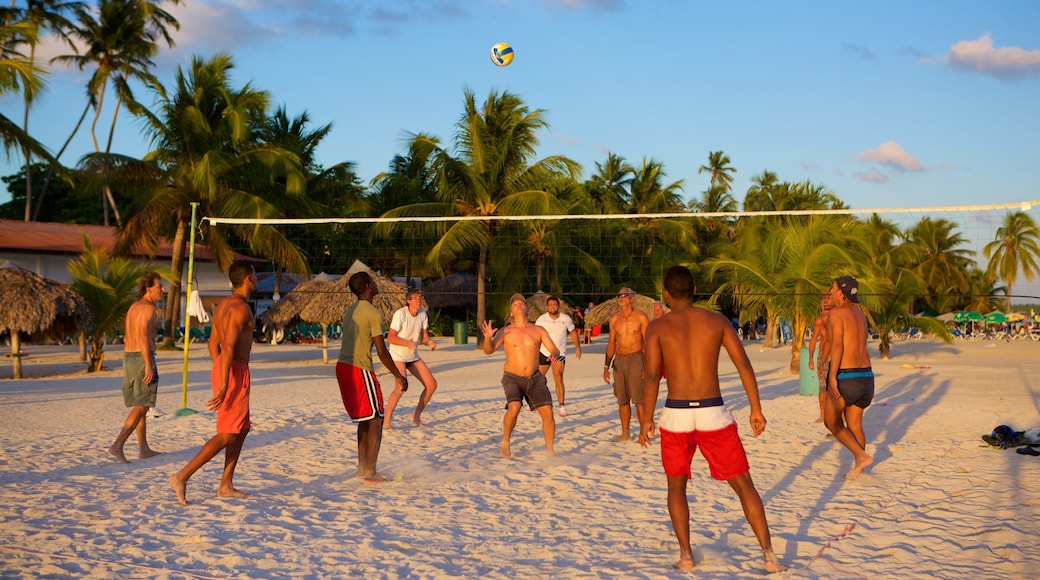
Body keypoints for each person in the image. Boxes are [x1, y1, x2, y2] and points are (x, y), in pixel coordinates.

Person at [639, 266, 784, 573]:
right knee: (744, 485)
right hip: (712, 412)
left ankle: (685, 555)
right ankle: (769, 555)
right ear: (695, 290)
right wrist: (755, 409)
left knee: (676, 487)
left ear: (665, 294)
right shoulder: (716, 321)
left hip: (676, 414)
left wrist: (646, 419)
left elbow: (651, 377)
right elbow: (743, 364)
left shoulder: (657, 327)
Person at [170, 261, 257, 506]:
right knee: (228, 433)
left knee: (242, 428)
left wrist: (220, 371)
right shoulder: (240, 308)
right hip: (233, 371)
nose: (256, 278)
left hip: (227, 368)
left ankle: (226, 485)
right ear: (248, 279)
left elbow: (212, 345)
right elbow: (227, 346)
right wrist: (225, 382)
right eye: (254, 275)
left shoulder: (223, 306)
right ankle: (181, 476)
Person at [336, 271, 408, 484]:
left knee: (365, 418)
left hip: (343, 367)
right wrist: (399, 375)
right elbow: (382, 351)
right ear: (368, 286)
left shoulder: (351, 310)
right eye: (374, 281)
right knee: (376, 419)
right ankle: (370, 473)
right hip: (359, 368)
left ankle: (362, 469)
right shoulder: (373, 312)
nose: (376, 284)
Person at [481, 293, 559, 458]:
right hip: (512, 377)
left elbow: (554, 349)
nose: (518, 305)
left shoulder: (538, 330)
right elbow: (489, 350)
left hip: (535, 377)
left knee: (548, 412)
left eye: (521, 303)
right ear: (511, 312)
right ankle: (506, 441)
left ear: (527, 309)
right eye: (514, 304)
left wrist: (554, 354)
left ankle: (550, 450)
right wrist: (487, 339)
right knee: (514, 407)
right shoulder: (505, 331)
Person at [108, 272, 164, 463]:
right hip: (141, 357)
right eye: (159, 286)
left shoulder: (134, 307)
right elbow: (142, 336)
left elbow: (127, 337)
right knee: (142, 406)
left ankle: (143, 448)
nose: (162, 289)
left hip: (129, 357)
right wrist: (148, 364)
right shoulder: (147, 309)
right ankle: (117, 445)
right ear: (149, 289)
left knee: (142, 404)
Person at [825, 275, 874, 479]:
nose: (830, 292)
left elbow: (837, 346)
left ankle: (861, 456)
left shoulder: (836, 313)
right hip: (866, 376)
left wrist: (832, 377)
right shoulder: (860, 314)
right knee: (854, 424)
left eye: (832, 288)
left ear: (840, 292)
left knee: (831, 422)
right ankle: (860, 468)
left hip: (847, 376)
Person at [384, 289, 438, 429]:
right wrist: (406, 343)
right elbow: (390, 337)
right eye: (415, 298)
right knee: (401, 387)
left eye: (420, 297)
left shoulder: (423, 314)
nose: (418, 300)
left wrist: (429, 342)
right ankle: (386, 421)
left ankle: (416, 416)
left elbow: (424, 337)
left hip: (412, 356)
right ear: (408, 301)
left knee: (432, 385)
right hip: (398, 355)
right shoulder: (400, 314)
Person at [603, 287, 649, 442]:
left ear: (632, 299)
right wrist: (606, 366)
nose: (621, 297)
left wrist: (648, 366)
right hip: (619, 359)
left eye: (624, 295)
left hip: (636, 358)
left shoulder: (641, 317)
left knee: (638, 398)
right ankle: (625, 433)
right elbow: (611, 343)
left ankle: (643, 433)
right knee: (622, 399)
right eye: (619, 295)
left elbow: (648, 342)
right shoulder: (614, 319)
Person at [535, 295, 582, 417]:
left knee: (558, 377)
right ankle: (533, 403)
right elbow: (535, 335)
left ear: (558, 306)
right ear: (547, 306)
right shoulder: (541, 320)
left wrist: (578, 348)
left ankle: (561, 406)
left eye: (555, 305)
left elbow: (573, 333)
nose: (553, 307)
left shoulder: (565, 318)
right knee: (538, 379)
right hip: (544, 352)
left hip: (559, 353)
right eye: (550, 305)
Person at [807, 295, 833, 425]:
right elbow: (813, 340)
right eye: (823, 305)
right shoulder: (819, 321)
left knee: (837, 386)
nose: (825, 306)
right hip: (822, 355)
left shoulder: (836, 319)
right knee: (823, 386)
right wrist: (810, 358)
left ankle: (838, 414)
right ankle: (822, 414)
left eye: (827, 304)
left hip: (835, 356)